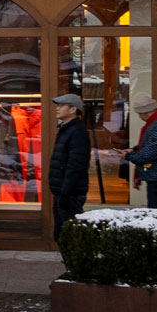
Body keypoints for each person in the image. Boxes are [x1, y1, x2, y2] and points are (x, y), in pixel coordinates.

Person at [45, 93, 94, 245]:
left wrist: (66, 192)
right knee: (63, 235)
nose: (57, 109)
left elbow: (76, 165)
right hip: (62, 192)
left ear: (73, 109)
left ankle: (76, 261)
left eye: (61, 106)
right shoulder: (67, 129)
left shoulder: (77, 131)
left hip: (70, 193)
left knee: (70, 236)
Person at [123, 100, 157, 209]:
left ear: (147, 112)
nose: (139, 117)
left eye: (140, 113)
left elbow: (149, 154)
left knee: (156, 208)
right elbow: (153, 145)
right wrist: (133, 149)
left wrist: (128, 156)